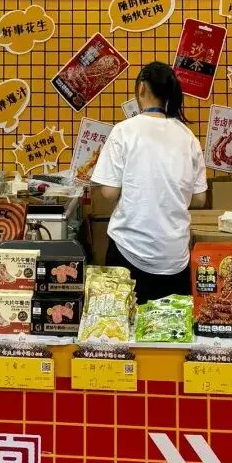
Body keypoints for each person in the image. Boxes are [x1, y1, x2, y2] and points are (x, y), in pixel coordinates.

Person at [90, 61, 207, 303]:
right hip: (175, 257)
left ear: (141, 88)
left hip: (129, 251)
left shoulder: (124, 131)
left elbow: (109, 193)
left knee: (125, 323)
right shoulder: (188, 137)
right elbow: (199, 198)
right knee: (169, 324)